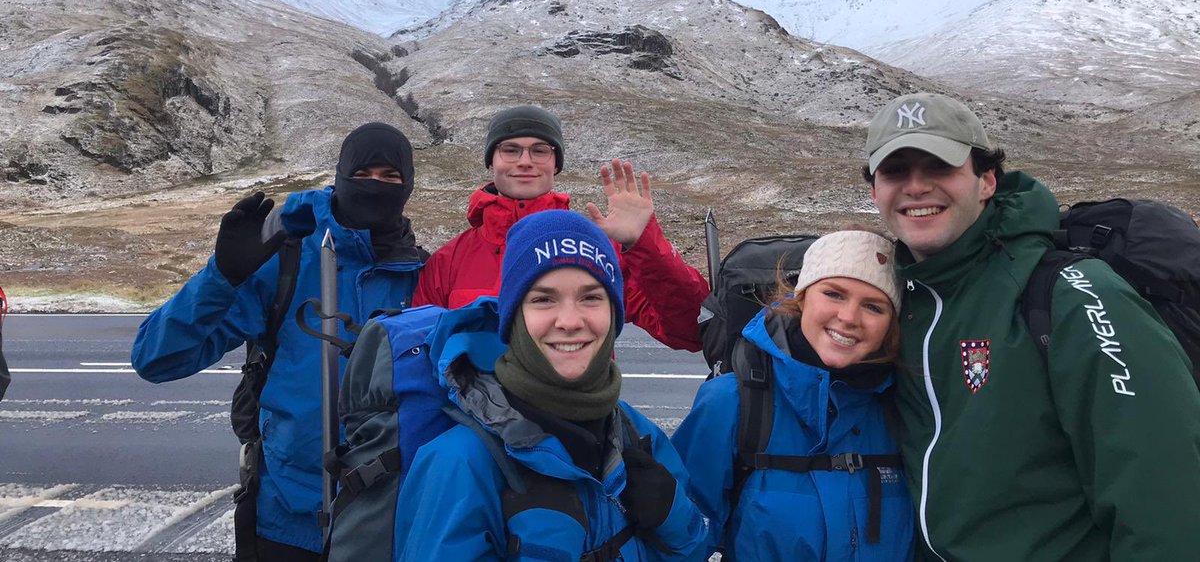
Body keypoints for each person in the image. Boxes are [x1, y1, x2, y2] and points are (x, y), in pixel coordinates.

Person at [863, 91, 1200, 561]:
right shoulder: (897, 301)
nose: (916, 187)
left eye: (939, 167)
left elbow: (1165, 494)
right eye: (896, 172)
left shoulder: (1071, 293)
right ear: (875, 190)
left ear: (986, 181)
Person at [132, 122, 427, 561]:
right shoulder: (286, 261)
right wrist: (222, 276)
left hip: (387, 519)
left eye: (390, 177)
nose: (375, 187)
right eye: (363, 174)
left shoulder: (422, 275)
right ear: (341, 175)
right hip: (287, 517)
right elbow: (155, 358)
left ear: (407, 187)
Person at [395, 209, 707, 561]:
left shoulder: (639, 434)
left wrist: (674, 519)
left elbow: (695, 548)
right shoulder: (460, 462)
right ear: (514, 317)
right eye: (543, 299)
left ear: (615, 314)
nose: (570, 321)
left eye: (591, 297)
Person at [673, 229, 914, 561]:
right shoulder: (732, 402)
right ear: (800, 297)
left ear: (892, 324)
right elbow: (681, 539)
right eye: (834, 294)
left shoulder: (907, 406)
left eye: (873, 307)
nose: (848, 318)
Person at [413, 104, 709, 350]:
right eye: (511, 150)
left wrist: (642, 243)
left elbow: (691, 331)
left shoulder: (594, 248)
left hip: (578, 418)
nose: (525, 162)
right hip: (473, 417)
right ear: (492, 162)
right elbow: (420, 351)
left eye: (540, 150)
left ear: (556, 163)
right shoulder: (448, 261)